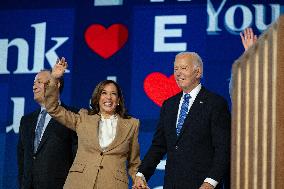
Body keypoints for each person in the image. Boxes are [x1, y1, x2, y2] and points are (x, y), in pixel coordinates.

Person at [134, 52, 231, 189]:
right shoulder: (169, 105)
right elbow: (158, 146)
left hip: (202, 185)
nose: (178, 73)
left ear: (198, 72)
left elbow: (223, 149)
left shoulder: (215, 103)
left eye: (183, 68)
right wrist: (142, 174)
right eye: (175, 69)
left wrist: (211, 181)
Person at [43, 57, 141, 189]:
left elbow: (134, 162)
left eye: (113, 94)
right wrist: (54, 78)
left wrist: (138, 179)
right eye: (104, 93)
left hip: (113, 185)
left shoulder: (132, 124)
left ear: (118, 100)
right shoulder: (83, 118)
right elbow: (53, 108)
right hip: (79, 183)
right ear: (97, 98)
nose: (108, 97)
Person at [17, 70, 78, 189]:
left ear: (56, 84)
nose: (34, 87)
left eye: (39, 82)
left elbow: (77, 157)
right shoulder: (26, 121)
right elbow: (22, 160)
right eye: (34, 83)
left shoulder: (72, 116)